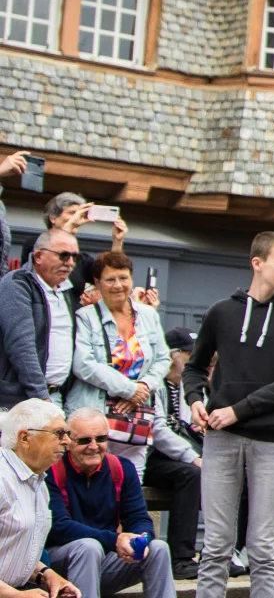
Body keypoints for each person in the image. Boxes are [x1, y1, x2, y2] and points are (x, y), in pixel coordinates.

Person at [181, 231, 274, 598]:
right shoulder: (221, 312)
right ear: (257, 263)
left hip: (271, 442)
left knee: (261, 549)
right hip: (221, 439)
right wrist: (195, 398)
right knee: (215, 548)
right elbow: (193, 368)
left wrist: (237, 411)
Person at [44, 408, 173, 597]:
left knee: (158, 548)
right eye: (84, 440)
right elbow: (59, 527)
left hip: (103, 558)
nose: (94, 446)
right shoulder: (51, 471)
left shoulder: (122, 468)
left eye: (101, 439)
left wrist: (140, 539)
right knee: (88, 547)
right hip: (58, 565)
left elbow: (138, 516)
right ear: (68, 442)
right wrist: (114, 540)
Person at [67, 251, 170, 467]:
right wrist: (129, 390)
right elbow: (83, 364)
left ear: (131, 280)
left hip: (136, 416)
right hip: (94, 413)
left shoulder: (148, 315)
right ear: (97, 283)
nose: (117, 285)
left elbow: (163, 359)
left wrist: (143, 387)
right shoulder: (86, 316)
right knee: (93, 477)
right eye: (110, 279)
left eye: (123, 278)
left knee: (132, 481)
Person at [0, 399, 81, 597]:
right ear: (25, 438)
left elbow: (12, 549)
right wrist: (15, 595)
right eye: (58, 433)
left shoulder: (38, 480)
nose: (67, 441)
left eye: (67, 434)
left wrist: (45, 575)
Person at [0, 228, 81, 408]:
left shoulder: (65, 290)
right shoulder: (17, 284)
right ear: (38, 256)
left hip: (55, 397)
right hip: (21, 400)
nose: (70, 263)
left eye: (75, 257)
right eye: (64, 255)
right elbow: (21, 346)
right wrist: (41, 397)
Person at [153, 328, 203, 580]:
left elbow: (190, 428)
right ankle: (181, 558)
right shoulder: (156, 383)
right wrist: (190, 455)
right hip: (153, 457)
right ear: (173, 355)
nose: (194, 359)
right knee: (191, 474)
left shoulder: (186, 386)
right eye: (188, 354)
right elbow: (158, 431)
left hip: (177, 456)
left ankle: (224, 553)